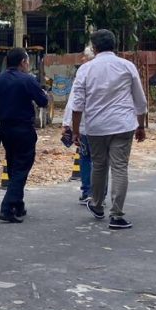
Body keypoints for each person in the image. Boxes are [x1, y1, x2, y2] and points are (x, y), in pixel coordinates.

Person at [71, 29, 148, 230]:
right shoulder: (127, 66)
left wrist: (76, 130)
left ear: (94, 48)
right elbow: (140, 100)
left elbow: (77, 104)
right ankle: (117, 215)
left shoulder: (85, 69)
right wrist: (140, 125)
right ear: (114, 45)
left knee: (99, 165)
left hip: (95, 127)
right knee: (120, 167)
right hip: (123, 125)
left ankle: (97, 205)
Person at [0, 47, 49, 223]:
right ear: (22, 62)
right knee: (22, 167)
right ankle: (7, 207)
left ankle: (17, 204)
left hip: (5, 130)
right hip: (24, 129)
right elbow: (43, 101)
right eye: (27, 61)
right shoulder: (28, 80)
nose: (28, 65)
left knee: (12, 165)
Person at [61, 47, 95, 205]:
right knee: (101, 160)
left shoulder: (83, 71)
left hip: (84, 125)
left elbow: (75, 100)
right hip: (105, 126)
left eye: (83, 56)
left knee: (85, 157)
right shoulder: (113, 68)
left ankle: (87, 191)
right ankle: (99, 194)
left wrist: (67, 124)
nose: (81, 59)